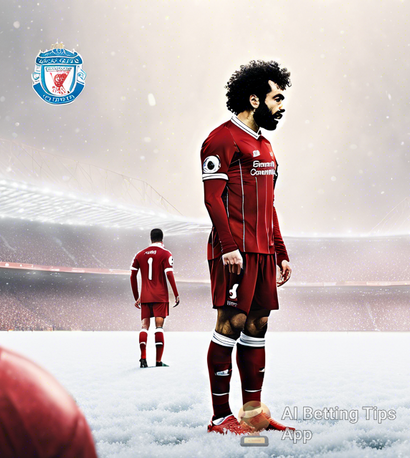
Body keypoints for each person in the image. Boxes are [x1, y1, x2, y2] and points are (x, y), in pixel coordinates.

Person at [201, 60, 294, 434]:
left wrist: (281, 251)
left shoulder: (267, 147)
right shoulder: (221, 139)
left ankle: (252, 413)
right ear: (254, 99)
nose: (282, 105)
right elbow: (213, 199)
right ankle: (219, 417)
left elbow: (269, 204)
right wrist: (227, 245)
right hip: (233, 250)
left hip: (263, 252)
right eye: (277, 97)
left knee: (258, 325)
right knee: (231, 323)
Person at [130, 228, 180, 368]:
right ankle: (158, 361)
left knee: (144, 327)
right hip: (160, 296)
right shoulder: (165, 253)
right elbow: (169, 274)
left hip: (145, 296)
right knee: (159, 327)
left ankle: (143, 359)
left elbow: (132, 276)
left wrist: (137, 296)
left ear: (150, 239)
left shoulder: (140, 254)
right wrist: (176, 293)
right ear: (162, 240)